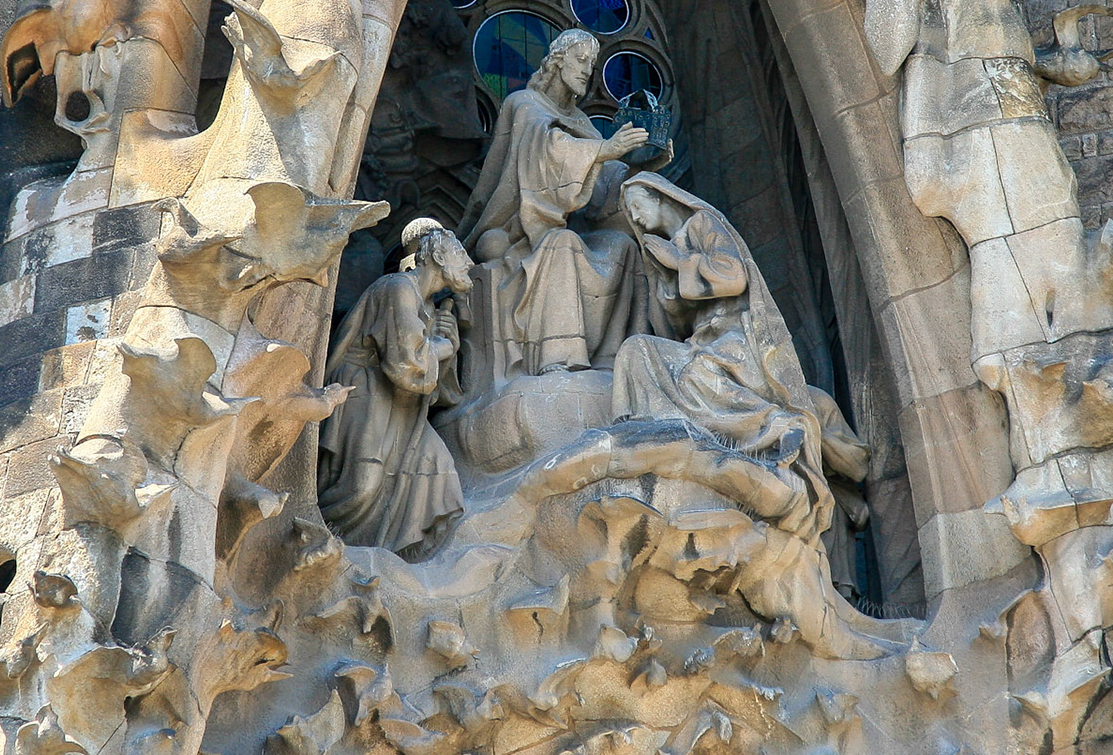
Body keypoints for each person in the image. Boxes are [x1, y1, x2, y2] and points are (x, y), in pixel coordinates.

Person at [610, 173, 830, 515]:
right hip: (703, 338)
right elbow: (681, 318)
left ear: (659, 197)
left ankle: (780, 426)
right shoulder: (671, 245)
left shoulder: (702, 223)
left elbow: (733, 277)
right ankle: (646, 437)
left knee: (697, 373)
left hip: (735, 337)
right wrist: (668, 282)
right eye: (630, 214)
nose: (636, 219)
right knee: (637, 351)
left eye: (637, 207)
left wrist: (679, 262)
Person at [458, 29, 651, 383]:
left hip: (564, 228)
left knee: (623, 246)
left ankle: (611, 358)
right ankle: (559, 358)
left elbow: (606, 183)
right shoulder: (523, 103)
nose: (585, 71)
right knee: (562, 244)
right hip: (518, 232)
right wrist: (604, 149)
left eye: (591, 66)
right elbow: (542, 148)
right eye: (579, 60)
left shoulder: (582, 121)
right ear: (557, 60)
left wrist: (643, 163)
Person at [318, 219, 474, 559]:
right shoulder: (397, 288)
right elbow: (408, 364)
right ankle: (324, 544)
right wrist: (445, 346)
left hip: (401, 404)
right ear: (438, 256)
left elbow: (437, 390)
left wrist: (449, 340)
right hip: (363, 389)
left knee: (440, 473)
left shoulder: (429, 307)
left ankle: (402, 565)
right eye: (461, 252)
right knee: (362, 487)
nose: (470, 262)